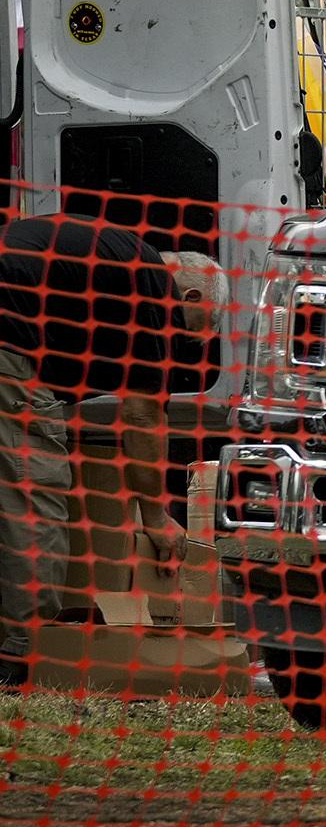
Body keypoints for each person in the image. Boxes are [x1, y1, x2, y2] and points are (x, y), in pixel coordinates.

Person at [0, 217, 217, 685]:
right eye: (191, 330)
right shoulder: (153, 288)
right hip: (8, 339)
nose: (181, 342)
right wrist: (156, 517)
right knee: (33, 488)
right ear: (192, 297)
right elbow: (142, 416)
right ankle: (25, 651)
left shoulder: (115, 257)